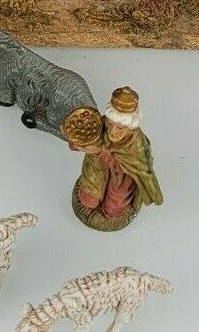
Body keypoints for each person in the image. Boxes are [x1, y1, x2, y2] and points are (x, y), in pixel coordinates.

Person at [60, 88, 163, 232]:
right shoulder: (102, 123)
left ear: (129, 127)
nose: (113, 131)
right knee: (88, 201)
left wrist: (99, 151)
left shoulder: (137, 145)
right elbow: (90, 138)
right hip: (97, 166)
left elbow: (134, 168)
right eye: (110, 124)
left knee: (112, 211)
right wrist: (78, 142)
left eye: (120, 128)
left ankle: (119, 202)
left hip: (121, 177)